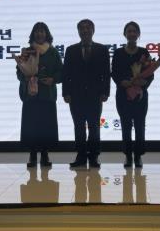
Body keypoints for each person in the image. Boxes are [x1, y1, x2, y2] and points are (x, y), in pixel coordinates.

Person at [62, 19, 111, 169]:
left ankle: (94, 156)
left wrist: (105, 92)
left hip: (95, 95)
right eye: (82, 28)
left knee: (94, 126)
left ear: (93, 30)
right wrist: (65, 93)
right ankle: (81, 156)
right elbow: (66, 74)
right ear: (78, 31)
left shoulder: (102, 49)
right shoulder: (70, 50)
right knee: (78, 126)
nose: (85, 30)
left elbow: (106, 74)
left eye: (88, 28)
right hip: (75, 95)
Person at [16, 22, 63, 168]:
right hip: (31, 94)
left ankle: (44, 154)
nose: (39, 34)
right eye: (37, 31)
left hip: (47, 95)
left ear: (47, 34)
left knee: (46, 126)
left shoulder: (53, 52)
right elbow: (19, 72)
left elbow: (61, 72)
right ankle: (32, 155)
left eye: (42, 31)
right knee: (31, 126)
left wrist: (53, 79)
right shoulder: (27, 51)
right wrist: (26, 77)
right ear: (33, 34)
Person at [111, 21, 154, 168]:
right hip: (123, 94)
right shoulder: (118, 53)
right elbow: (114, 73)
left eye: (134, 31)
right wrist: (122, 82)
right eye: (129, 31)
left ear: (138, 34)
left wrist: (143, 83)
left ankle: (138, 156)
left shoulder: (144, 52)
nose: (132, 34)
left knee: (140, 125)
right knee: (126, 125)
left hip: (140, 95)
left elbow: (150, 74)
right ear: (125, 34)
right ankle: (128, 156)